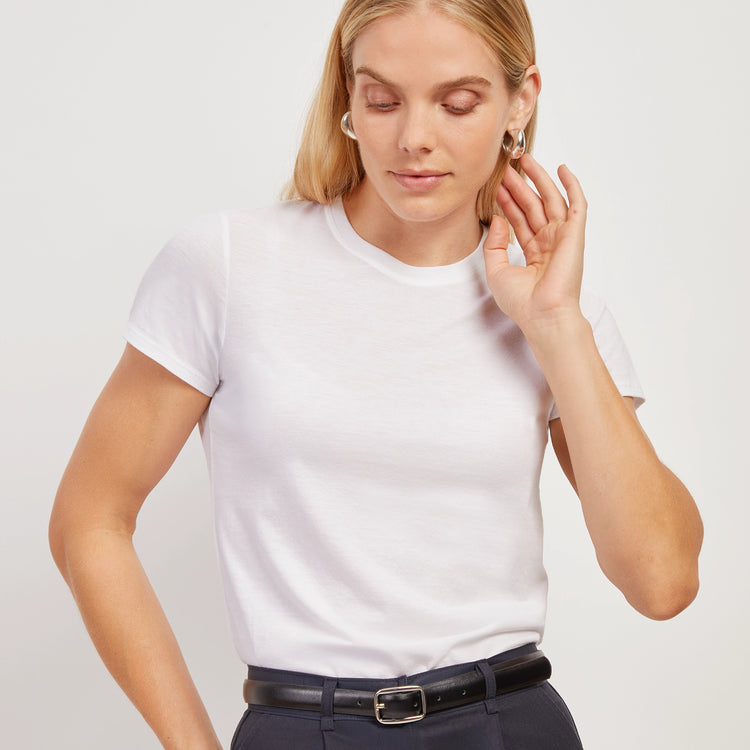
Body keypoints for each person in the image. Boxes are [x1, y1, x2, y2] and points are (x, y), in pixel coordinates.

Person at [49, 0, 704, 748]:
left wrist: (557, 326)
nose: (414, 138)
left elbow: (662, 581)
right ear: (348, 98)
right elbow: (88, 521)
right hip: (304, 725)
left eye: (458, 103)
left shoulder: (552, 305)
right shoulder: (228, 268)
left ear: (520, 101)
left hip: (510, 722)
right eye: (384, 100)